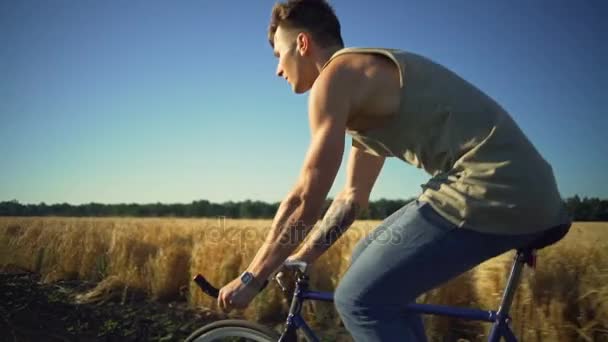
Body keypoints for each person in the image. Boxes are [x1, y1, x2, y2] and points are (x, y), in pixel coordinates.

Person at [217, 0, 571, 340]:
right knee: (364, 264)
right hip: (522, 191)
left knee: (357, 301)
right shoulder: (365, 84)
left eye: (279, 55)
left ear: (303, 43)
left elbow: (305, 198)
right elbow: (351, 198)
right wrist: (301, 258)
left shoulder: (335, 78)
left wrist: (253, 278)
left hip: (488, 187)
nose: (278, 69)